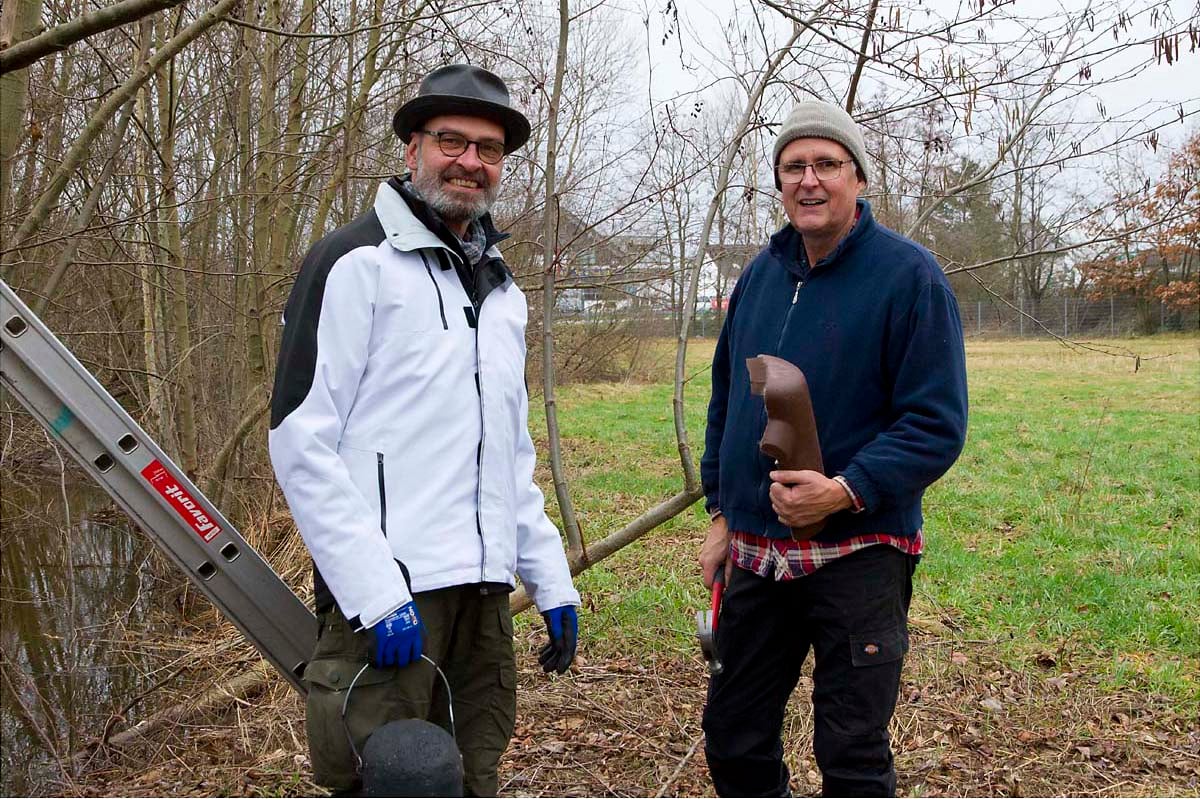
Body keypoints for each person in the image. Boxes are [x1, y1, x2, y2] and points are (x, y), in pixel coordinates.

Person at [268, 64, 581, 797]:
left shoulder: (503, 294)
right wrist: (376, 592)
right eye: (452, 141)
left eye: (490, 149)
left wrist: (550, 575)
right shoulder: (354, 263)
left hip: (481, 596)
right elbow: (300, 439)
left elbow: (508, 458)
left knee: (472, 773)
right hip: (392, 598)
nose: (471, 161)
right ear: (413, 148)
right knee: (383, 777)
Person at [697, 99, 969, 797]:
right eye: (794, 166)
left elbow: (936, 423)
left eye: (826, 164)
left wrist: (844, 488)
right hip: (760, 552)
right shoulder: (759, 276)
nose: (808, 180)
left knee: (850, 750)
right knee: (735, 736)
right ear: (779, 182)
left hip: (859, 553)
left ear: (859, 179)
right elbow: (728, 399)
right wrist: (724, 512)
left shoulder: (910, 278)